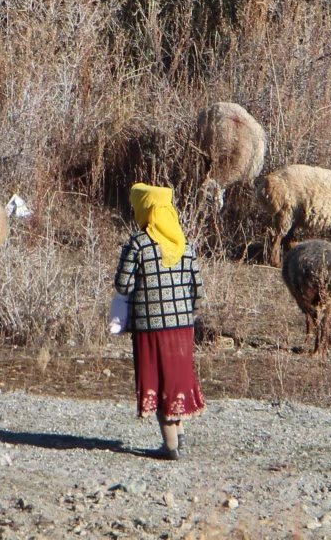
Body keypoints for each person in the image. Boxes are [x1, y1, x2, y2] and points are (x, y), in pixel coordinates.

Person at [114, 182, 206, 460]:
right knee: (177, 379)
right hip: (183, 328)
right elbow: (198, 290)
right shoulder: (184, 245)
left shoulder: (138, 244)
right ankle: (177, 436)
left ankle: (170, 448)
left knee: (158, 380)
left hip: (150, 328)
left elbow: (122, 285)